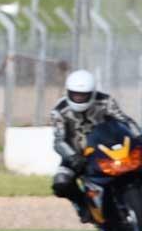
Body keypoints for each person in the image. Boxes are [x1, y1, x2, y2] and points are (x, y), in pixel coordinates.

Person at [51, 69, 141, 222]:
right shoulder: (59, 110)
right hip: (76, 152)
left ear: (92, 93)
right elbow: (59, 140)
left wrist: (138, 136)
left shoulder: (105, 101)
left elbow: (125, 120)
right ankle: (82, 204)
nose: (79, 98)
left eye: (83, 95)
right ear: (68, 92)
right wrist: (72, 157)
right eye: (75, 94)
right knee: (61, 182)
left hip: (106, 148)